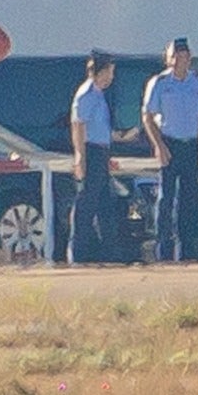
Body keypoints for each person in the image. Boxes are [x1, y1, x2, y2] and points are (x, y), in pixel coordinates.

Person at [141, 37, 198, 261]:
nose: (180, 60)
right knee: (166, 198)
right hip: (169, 142)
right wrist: (159, 145)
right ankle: (163, 249)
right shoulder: (160, 83)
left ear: (189, 58)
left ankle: (188, 251)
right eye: (175, 56)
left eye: (184, 56)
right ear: (169, 58)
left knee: (190, 198)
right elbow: (147, 116)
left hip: (191, 144)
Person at [70, 49, 117, 264]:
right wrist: (80, 156)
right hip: (91, 151)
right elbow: (79, 125)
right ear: (99, 72)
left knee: (104, 203)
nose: (111, 77)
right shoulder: (87, 94)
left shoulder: (99, 94)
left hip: (102, 150)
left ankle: (107, 252)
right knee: (86, 203)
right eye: (109, 72)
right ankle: (78, 253)